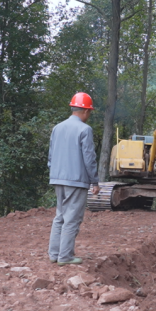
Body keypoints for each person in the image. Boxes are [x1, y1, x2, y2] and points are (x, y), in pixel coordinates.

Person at [47, 92, 101, 266]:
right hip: (76, 181)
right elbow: (89, 158)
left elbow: (50, 156)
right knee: (72, 218)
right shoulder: (85, 129)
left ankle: (54, 254)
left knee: (59, 216)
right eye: (90, 112)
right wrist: (94, 181)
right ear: (85, 111)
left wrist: (56, 173)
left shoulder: (57, 128)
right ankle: (66, 257)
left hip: (57, 178)